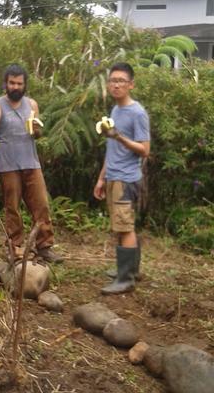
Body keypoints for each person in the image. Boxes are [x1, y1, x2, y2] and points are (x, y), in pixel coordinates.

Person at [0, 64, 62, 263]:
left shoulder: (32, 105)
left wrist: (36, 130)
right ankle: (15, 247)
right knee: (12, 208)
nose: (15, 87)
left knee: (41, 205)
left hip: (31, 162)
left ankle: (44, 246)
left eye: (19, 83)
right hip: (8, 165)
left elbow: (37, 134)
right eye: (12, 83)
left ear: (25, 85)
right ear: (5, 84)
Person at [93, 62, 150, 295]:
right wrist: (101, 178)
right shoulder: (115, 110)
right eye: (113, 81)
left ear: (131, 85)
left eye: (121, 81)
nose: (116, 85)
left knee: (125, 227)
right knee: (121, 225)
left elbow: (145, 149)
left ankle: (126, 279)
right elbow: (112, 150)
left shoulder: (137, 113)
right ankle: (129, 269)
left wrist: (120, 137)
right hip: (114, 176)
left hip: (126, 179)